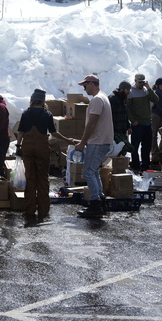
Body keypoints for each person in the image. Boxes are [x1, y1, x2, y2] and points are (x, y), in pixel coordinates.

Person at [15, 88, 70, 222]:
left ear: (32, 100)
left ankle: (29, 210)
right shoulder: (47, 114)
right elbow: (54, 133)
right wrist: (68, 140)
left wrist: (18, 146)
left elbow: (21, 132)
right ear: (42, 101)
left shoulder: (26, 114)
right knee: (43, 180)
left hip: (27, 149)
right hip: (42, 149)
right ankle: (43, 210)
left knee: (30, 179)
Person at [71, 74, 115, 219]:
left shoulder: (97, 100)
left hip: (97, 141)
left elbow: (92, 123)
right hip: (101, 140)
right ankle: (100, 200)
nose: (84, 89)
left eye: (85, 86)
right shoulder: (103, 97)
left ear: (92, 84)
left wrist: (83, 142)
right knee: (94, 171)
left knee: (88, 172)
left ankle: (95, 203)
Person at [126, 73, 159, 172]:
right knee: (135, 147)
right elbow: (128, 108)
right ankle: (135, 166)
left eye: (143, 82)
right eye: (139, 82)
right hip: (137, 124)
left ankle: (145, 166)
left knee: (146, 147)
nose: (141, 84)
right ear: (135, 81)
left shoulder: (146, 91)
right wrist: (133, 121)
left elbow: (156, 99)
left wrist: (149, 88)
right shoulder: (131, 92)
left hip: (147, 123)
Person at [109, 81, 132, 154]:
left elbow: (125, 115)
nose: (129, 92)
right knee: (114, 153)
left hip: (122, 132)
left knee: (123, 152)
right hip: (114, 133)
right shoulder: (112, 99)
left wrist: (128, 126)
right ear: (121, 89)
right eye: (127, 90)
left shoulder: (123, 99)